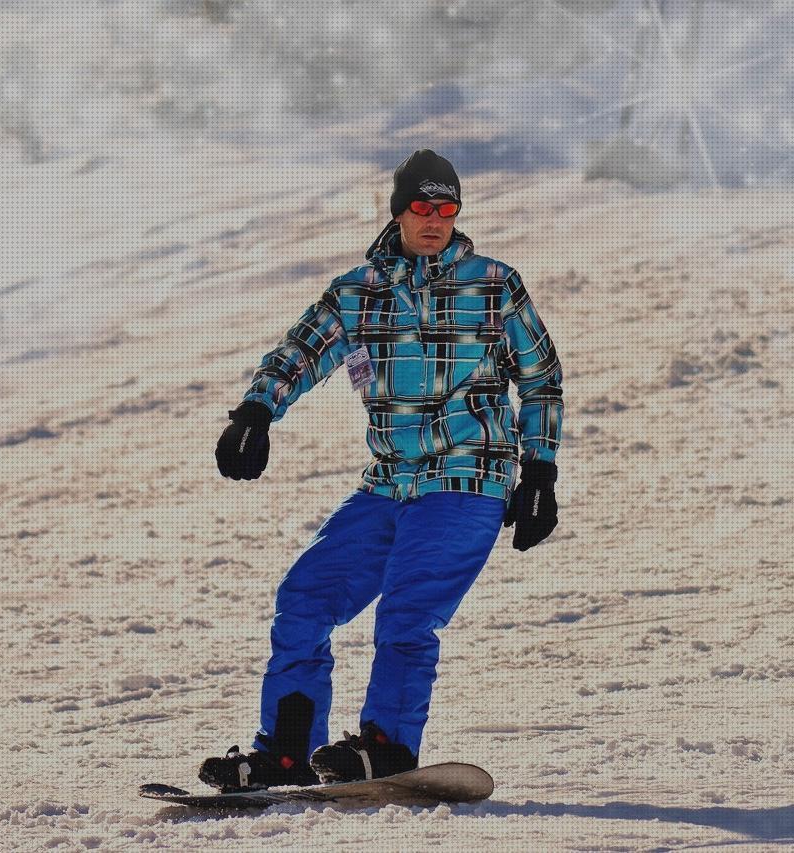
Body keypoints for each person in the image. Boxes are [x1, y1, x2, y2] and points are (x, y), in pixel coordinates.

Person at [201, 149, 564, 792]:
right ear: (398, 212)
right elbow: (299, 351)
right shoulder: (356, 293)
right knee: (304, 601)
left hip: (465, 481)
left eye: (446, 207)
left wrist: (539, 474)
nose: (434, 218)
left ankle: (388, 747)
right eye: (421, 206)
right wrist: (256, 411)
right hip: (388, 483)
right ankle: (288, 749)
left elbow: (539, 379)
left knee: (405, 616)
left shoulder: (494, 284)